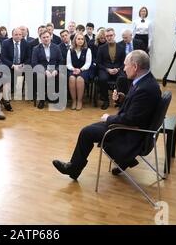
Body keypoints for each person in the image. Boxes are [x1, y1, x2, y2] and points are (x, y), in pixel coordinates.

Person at [52, 50, 161, 180]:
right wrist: (122, 99)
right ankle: (77, 168)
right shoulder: (146, 81)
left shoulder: (145, 89)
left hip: (130, 135)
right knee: (90, 129)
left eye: (126, 65)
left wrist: (109, 118)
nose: (124, 68)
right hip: (130, 129)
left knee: (86, 132)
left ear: (135, 67)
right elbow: (137, 108)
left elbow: (131, 119)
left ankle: (73, 169)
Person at [31, 30, 63, 109]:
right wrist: (45, 71)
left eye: (47, 37)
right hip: (42, 70)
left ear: (50, 37)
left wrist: (56, 70)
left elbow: (61, 61)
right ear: (41, 39)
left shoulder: (56, 47)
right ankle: (42, 99)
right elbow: (34, 63)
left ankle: (53, 96)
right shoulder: (36, 48)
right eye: (44, 37)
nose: (46, 39)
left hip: (54, 69)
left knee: (61, 76)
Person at [0, 28, 29, 111]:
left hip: (21, 66)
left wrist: (23, 65)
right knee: (7, 78)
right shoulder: (6, 43)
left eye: (20, 34)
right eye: (16, 34)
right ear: (12, 35)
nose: (18, 36)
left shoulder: (25, 43)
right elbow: (3, 57)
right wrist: (12, 66)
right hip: (9, 65)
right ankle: (6, 101)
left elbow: (28, 57)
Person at [96, 28, 126, 110]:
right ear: (105, 37)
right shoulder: (101, 48)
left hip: (118, 69)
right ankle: (105, 100)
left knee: (123, 78)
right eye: (107, 36)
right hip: (105, 69)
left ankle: (119, 100)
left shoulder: (121, 47)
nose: (109, 37)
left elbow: (124, 62)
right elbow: (98, 63)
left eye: (111, 35)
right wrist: (107, 69)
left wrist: (118, 69)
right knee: (102, 79)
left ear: (114, 35)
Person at [67, 33, 92, 111]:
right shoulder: (70, 50)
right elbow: (68, 64)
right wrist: (73, 69)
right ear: (75, 40)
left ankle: (79, 101)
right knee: (71, 78)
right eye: (78, 39)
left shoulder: (87, 50)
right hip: (73, 70)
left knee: (79, 79)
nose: (80, 41)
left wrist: (80, 69)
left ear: (84, 41)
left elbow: (88, 63)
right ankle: (74, 101)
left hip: (84, 70)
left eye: (82, 39)